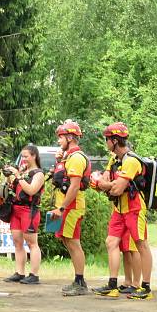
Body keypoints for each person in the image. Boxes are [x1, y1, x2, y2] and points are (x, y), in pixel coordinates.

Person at [93, 122, 154, 300]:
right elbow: (107, 180)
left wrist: (101, 184)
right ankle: (112, 285)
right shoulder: (115, 159)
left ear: (114, 140)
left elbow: (117, 189)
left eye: (107, 139)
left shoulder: (131, 161)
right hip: (119, 209)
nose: (106, 142)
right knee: (111, 242)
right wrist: (106, 184)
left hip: (134, 208)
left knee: (141, 245)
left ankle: (146, 288)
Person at [50, 120, 90, 296]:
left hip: (71, 207)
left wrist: (62, 208)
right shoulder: (68, 157)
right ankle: (77, 280)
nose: (59, 141)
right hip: (66, 206)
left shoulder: (76, 158)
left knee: (73, 242)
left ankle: (80, 282)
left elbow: (74, 186)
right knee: (67, 241)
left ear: (70, 137)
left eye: (61, 137)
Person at [2, 145, 45, 285]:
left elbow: (31, 190)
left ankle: (34, 274)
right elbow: (12, 187)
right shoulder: (23, 171)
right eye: (22, 156)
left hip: (29, 210)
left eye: (26, 156)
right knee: (17, 242)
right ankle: (19, 272)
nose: (24, 159)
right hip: (16, 209)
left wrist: (18, 175)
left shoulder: (38, 174)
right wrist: (9, 176)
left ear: (34, 156)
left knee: (32, 243)